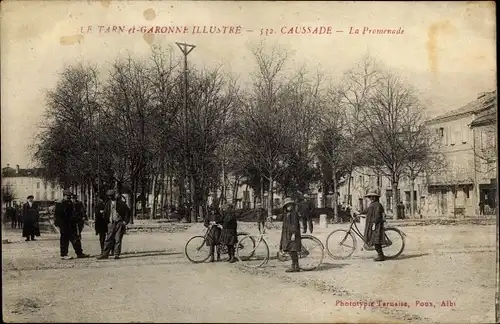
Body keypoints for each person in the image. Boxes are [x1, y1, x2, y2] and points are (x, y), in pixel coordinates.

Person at [96, 189, 131, 260]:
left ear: (114, 195)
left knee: (118, 239)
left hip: (119, 223)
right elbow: (105, 213)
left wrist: (125, 221)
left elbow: (128, 212)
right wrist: (107, 222)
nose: (110, 197)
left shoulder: (121, 203)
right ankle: (105, 254)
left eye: (111, 196)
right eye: (109, 196)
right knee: (108, 239)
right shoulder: (108, 203)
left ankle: (116, 254)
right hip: (111, 223)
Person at [55, 191, 90, 260]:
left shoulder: (71, 203)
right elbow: (57, 216)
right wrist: (59, 225)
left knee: (76, 239)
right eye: (67, 196)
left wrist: (77, 220)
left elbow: (73, 214)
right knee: (64, 240)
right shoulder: (60, 204)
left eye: (70, 196)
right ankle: (64, 254)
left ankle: (79, 253)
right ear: (64, 196)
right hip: (64, 225)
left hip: (72, 224)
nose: (69, 197)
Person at [359, 188, 387, 262]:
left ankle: (381, 256)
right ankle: (380, 255)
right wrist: (359, 213)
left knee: (376, 240)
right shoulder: (372, 204)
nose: (371, 198)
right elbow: (367, 210)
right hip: (372, 224)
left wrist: (374, 223)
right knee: (374, 239)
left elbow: (377, 215)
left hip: (376, 224)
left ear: (375, 197)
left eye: (372, 197)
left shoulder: (377, 205)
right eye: (370, 197)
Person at [279, 197, 302, 273]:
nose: (289, 207)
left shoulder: (294, 214)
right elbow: (281, 217)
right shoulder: (286, 214)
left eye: (290, 205)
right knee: (290, 250)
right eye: (287, 205)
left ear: (293, 206)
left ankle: (295, 266)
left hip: (292, 234)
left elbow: (294, 225)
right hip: (287, 234)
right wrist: (274, 217)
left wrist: (293, 234)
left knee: (293, 250)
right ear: (285, 207)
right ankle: (295, 266)